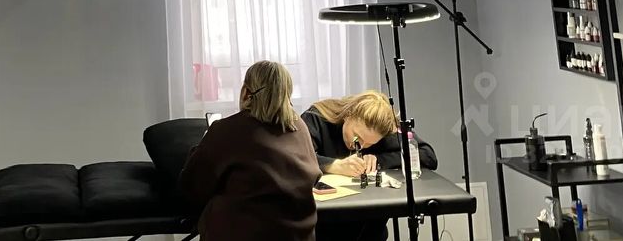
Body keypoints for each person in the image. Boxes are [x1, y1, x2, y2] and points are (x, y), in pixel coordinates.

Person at [179, 61, 321, 241]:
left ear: (246, 92)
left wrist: (204, 143)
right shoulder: (299, 126)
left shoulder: (226, 129)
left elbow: (192, 186)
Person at [302, 91, 438, 241]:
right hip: (324, 225)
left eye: (370, 143)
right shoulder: (317, 118)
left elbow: (428, 156)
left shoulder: (384, 128)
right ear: (348, 115)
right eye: (357, 137)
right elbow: (296, 158)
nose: (361, 146)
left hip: (369, 228)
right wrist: (334, 165)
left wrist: (378, 159)